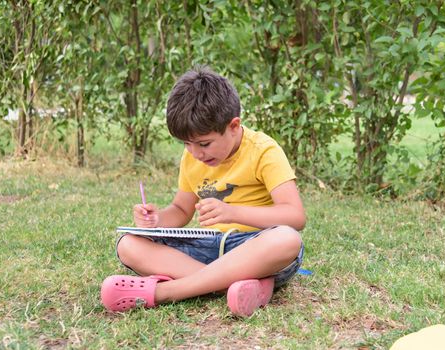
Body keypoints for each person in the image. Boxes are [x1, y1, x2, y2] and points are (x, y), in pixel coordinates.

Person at [100, 66, 306, 317]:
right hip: (206, 248)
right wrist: (156, 221)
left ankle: (168, 292)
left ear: (233, 125)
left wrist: (232, 212)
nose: (196, 153)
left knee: (287, 239)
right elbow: (181, 210)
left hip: (253, 247)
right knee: (129, 245)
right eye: (186, 143)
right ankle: (238, 286)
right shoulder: (192, 158)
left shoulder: (263, 151)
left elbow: (295, 216)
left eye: (204, 144)